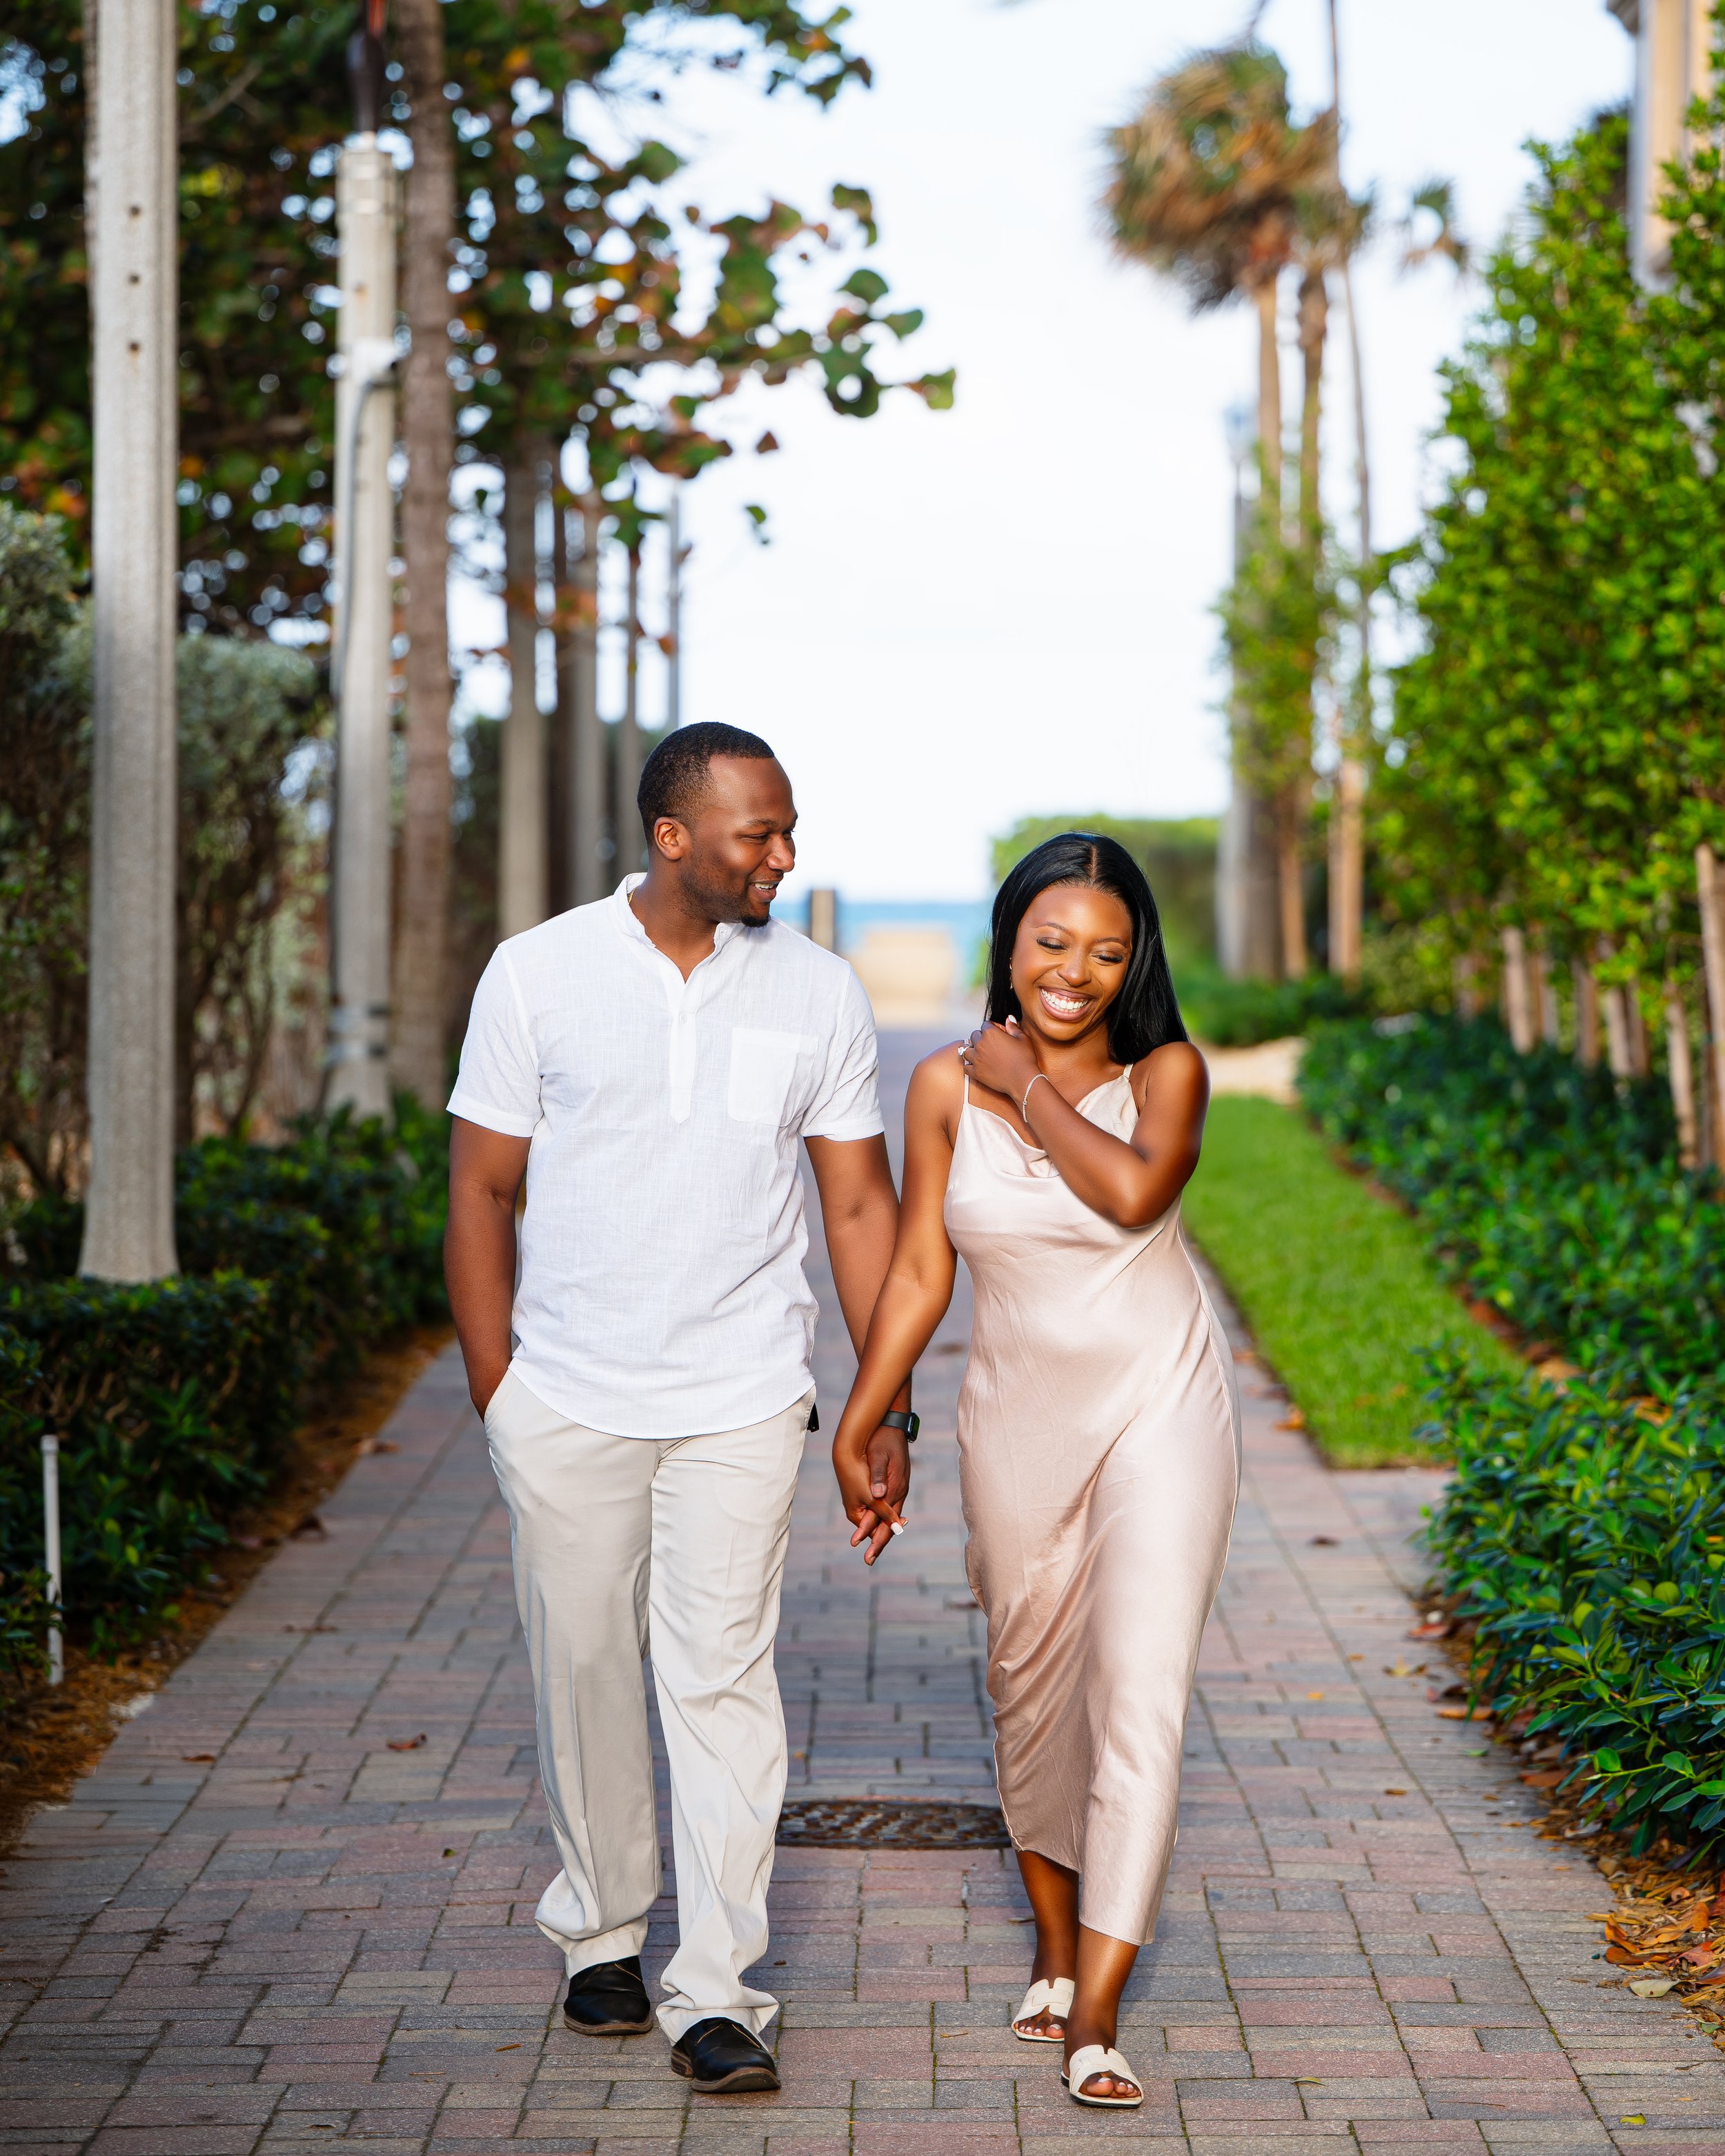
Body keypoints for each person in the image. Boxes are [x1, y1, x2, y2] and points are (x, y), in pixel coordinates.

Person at [444, 722, 914, 2096]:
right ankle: (598, 1926)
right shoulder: (539, 975)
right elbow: (481, 1191)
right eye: (753, 835)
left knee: (718, 1681)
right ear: (669, 836)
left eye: (785, 831)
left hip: (739, 1396)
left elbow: (856, 1204)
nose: (779, 855)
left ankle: (715, 1991)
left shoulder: (819, 993)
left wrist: (880, 1403)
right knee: (581, 1666)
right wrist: (500, 1399)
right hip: (568, 1394)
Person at [829, 832, 1239, 2110]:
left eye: (1106, 951)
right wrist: (868, 1415)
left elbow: (1127, 1193)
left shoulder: (1166, 1069)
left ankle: (1099, 2015)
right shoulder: (945, 1090)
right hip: (1014, 1419)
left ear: (1135, 965)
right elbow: (916, 1268)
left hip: (1162, 1405)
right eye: (1052, 942)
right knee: (1028, 1685)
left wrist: (1031, 1086)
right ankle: (1057, 1949)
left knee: (1141, 1687)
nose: (1075, 971)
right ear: (1008, 942)